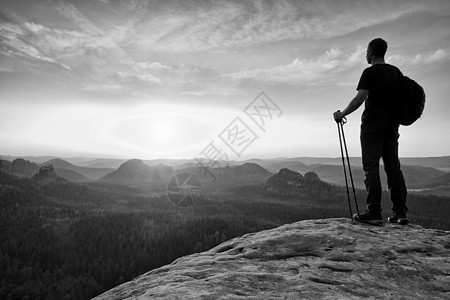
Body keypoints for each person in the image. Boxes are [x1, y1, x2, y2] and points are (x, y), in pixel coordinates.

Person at [333, 38, 409, 225]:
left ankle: (374, 212)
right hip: (392, 127)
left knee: (371, 167)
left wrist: (341, 113)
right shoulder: (396, 72)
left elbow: (360, 99)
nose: (365, 54)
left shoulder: (370, 72)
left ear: (371, 51)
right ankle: (401, 213)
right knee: (393, 168)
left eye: (366, 51)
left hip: (372, 128)